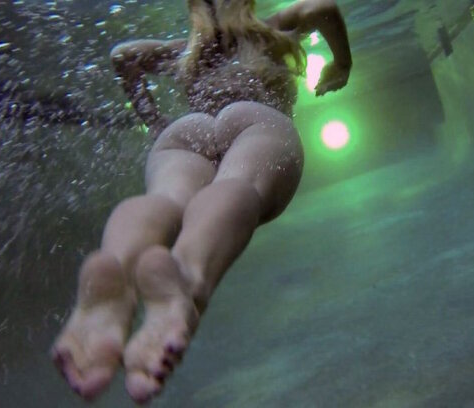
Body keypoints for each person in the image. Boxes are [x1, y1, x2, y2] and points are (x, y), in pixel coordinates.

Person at [52, 0, 352, 403]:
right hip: (254, 117)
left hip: (189, 129)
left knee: (166, 198)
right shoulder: (272, 28)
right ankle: (185, 278)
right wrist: (341, 64)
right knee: (239, 184)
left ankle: (118, 270)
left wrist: (151, 120)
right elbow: (324, 6)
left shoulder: (186, 49)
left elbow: (123, 56)